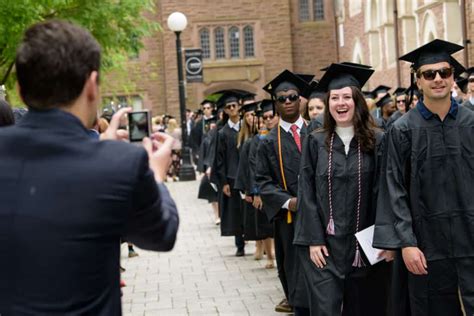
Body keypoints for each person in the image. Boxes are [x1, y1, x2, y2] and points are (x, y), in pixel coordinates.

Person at [0, 20, 179, 315]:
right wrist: (157, 175)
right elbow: (161, 234)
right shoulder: (120, 163)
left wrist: (98, 144)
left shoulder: (110, 160)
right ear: (92, 85)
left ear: (20, 87)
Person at [373, 39, 474, 316]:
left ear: (454, 77)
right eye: (429, 74)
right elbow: (394, 190)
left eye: (444, 72)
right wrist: (406, 243)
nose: (438, 79)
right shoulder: (403, 130)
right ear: (418, 81)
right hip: (426, 244)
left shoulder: (471, 123)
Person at [294, 63, 392, 316]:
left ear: (357, 101)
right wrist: (313, 239)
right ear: (328, 104)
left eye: (347, 97)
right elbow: (306, 192)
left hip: (367, 246)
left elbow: (386, 192)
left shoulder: (378, 140)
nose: (341, 103)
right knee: (327, 308)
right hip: (326, 248)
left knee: (365, 307)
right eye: (334, 98)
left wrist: (388, 239)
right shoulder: (316, 141)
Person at [256, 70, 310, 315]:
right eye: (281, 98)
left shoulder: (318, 133)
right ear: (275, 104)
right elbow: (263, 181)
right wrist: (288, 202)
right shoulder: (268, 142)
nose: (287, 101)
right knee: (295, 271)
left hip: (322, 215)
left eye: (292, 96)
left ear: (300, 99)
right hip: (290, 219)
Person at [212, 91, 246, 256]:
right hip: (232, 177)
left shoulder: (247, 127)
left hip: (248, 175)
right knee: (236, 211)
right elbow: (219, 160)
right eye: (229, 107)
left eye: (234, 106)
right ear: (225, 111)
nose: (232, 109)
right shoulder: (222, 133)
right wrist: (223, 182)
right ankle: (240, 244)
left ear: (239, 107)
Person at [249, 99, 278, 269]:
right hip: (265, 189)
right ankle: (269, 257)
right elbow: (254, 167)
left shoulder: (285, 135)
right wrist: (257, 192)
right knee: (266, 226)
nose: (268, 119)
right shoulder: (258, 140)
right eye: (265, 117)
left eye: (271, 116)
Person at [197, 116, 220, 224]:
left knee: (218, 195)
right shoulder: (206, 139)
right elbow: (202, 155)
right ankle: (216, 216)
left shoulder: (220, 137)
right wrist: (203, 169)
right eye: (211, 126)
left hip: (218, 169)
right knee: (212, 196)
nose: (213, 127)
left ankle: (220, 214)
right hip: (209, 169)